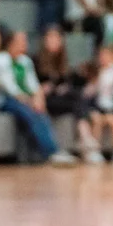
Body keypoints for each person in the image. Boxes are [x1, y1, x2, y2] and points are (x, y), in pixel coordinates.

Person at [0, 29, 76, 166]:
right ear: (11, 43)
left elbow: (34, 85)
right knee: (28, 111)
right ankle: (51, 152)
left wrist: (38, 99)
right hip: (6, 101)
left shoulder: (25, 61)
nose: (25, 44)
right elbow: (9, 88)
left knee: (41, 112)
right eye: (22, 41)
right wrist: (29, 100)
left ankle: (53, 151)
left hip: (26, 99)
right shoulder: (0, 60)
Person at [34, 27, 104, 164]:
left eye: (57, 38)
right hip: (45, 100)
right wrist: (44, 89)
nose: (54, 41)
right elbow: (35, 84)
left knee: (78, 95)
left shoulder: (62, 62)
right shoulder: (36, 61)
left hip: (61, 99)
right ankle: (85, 136)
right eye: (51, 38)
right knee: (77, 99)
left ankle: (85, 137)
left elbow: (68, 82)